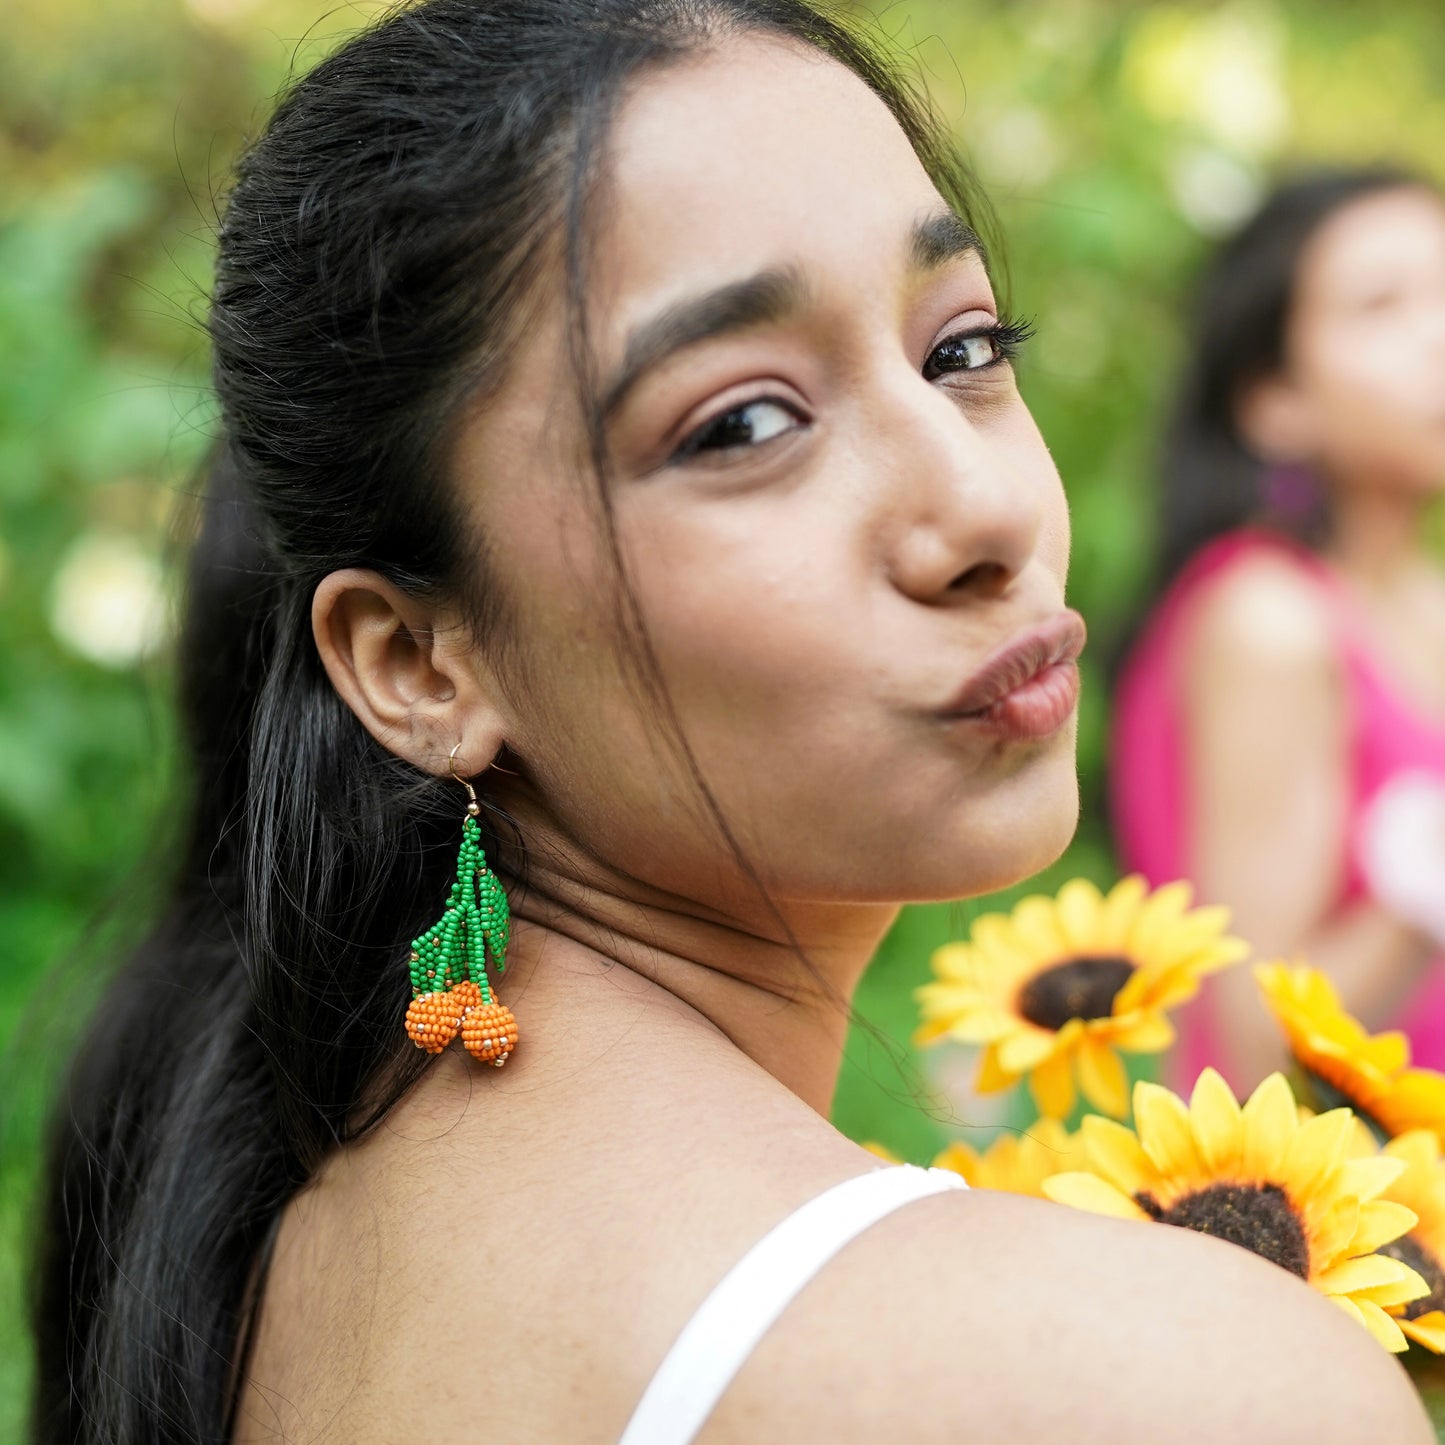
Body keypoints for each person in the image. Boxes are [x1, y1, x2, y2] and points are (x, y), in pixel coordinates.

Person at [31, 5, 1429, 1443]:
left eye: (962, 349)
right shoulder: (1158, 1379)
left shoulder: (293, 1247)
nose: (987, 509)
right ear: (416, 665)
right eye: (745, 427)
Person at [1111, 169, 1445, 1092]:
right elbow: (1259, 1044)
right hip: (1329, 1210)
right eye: (1383, 305)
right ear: (1274, 400)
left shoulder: (1421, 598)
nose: (1438, 335)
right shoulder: (1268, 619)